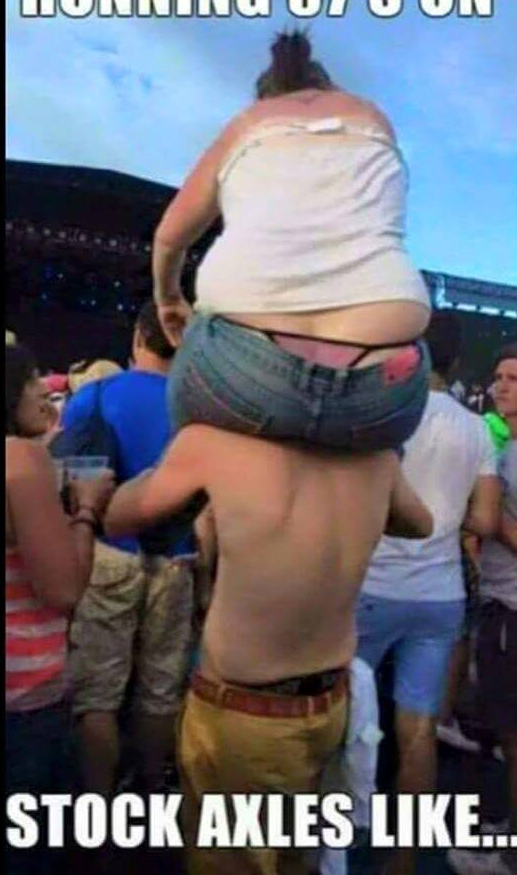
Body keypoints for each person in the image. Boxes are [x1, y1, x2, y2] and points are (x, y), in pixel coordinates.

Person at [104, 426, 432, 875]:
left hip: (242, 716)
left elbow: (119, 517)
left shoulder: (214, 443)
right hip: (328, 705)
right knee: (294, 857)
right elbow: (420, 524)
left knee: (231, 862)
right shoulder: (377, 459)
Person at [152, 30, 431, 454]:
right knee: (378, 447)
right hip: (382, 384)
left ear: (265, 95)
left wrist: (168, 298)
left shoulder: (247, 122)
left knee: (189, 443)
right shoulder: (373, 117)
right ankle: (385, 475)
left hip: (244, 371)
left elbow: (170, 236)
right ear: (327, 84)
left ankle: (188, 481)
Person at [356, 312, 500, 875]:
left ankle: (330, 846)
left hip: (371, 587)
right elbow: (485, 520)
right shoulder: (476, 429)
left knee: (346, 719)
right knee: (418, 729)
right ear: (456, 362)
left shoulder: (388, 416)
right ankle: (405, 859)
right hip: (439, 595)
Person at [61, 301, 199, 796]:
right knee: (160, 688)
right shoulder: (200, 409)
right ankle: (151, 790)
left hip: (107, 552)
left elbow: (73, 479)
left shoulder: (95, 396)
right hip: (178, 558)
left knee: (98, 692)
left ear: (139, 337)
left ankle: (99, 804)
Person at [5, 344, 113, 875]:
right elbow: (65, 589)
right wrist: (87, 509)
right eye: (29, 380)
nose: (43, 393)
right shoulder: (19, 460)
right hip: (22, 702)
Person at [448, 344, 517, 875]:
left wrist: (489, 519)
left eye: (513, 379)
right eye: (499, 377)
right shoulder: (506, 446)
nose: (501, 387)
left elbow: (495, 524)